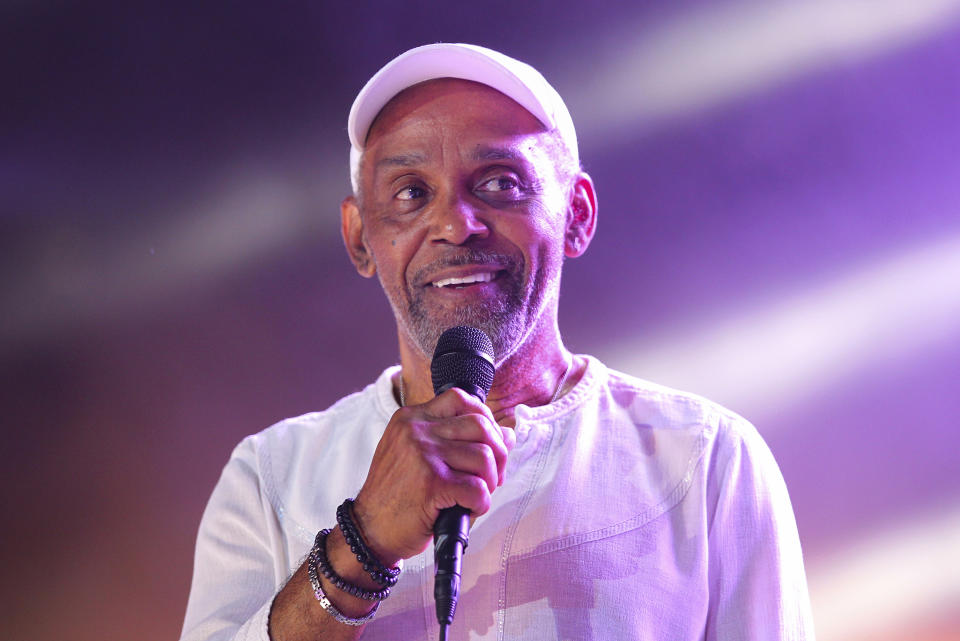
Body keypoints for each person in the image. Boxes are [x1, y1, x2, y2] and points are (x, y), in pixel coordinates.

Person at [180, 43, 815, 641]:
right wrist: (363, 541)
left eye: (500, 183)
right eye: (410, 193)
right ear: (358, 236)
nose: (455, 223)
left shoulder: (706, 461)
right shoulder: (271, 477)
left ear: (577, 213)